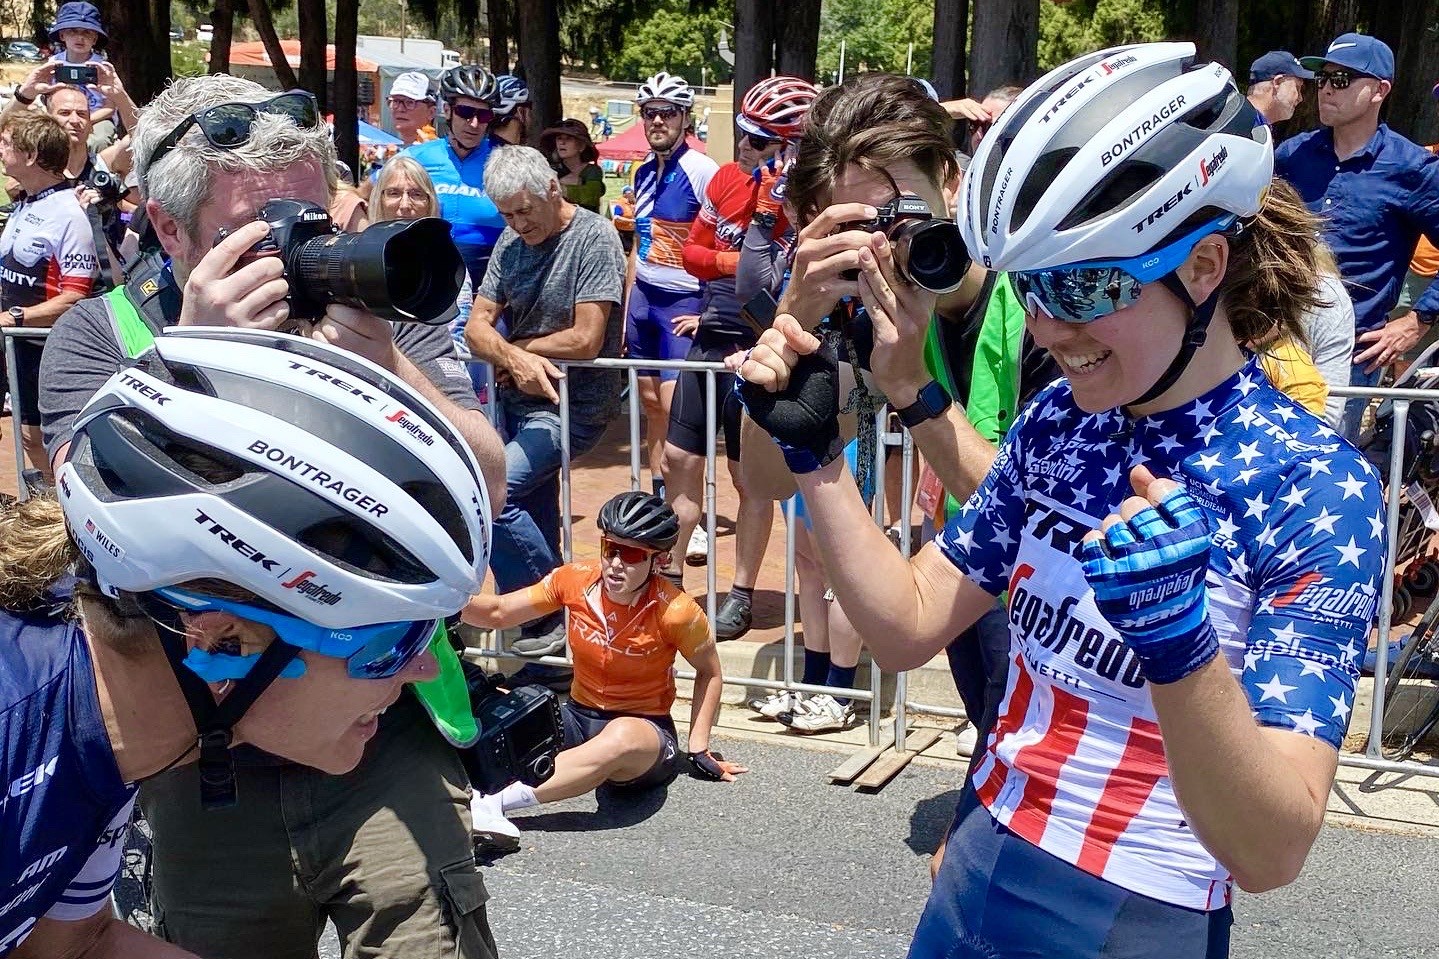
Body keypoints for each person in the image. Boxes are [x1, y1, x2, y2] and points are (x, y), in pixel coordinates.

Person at [738, 47, 1385, 957]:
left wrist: (1178, 643)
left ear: (1204, 266)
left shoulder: (1313, 484)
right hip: (979, 861)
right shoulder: (1061, 418)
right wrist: (816, 464)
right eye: (1031, 287)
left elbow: (1271, 847)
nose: (1045, 326)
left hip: (1135, 907)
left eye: (1080, 284)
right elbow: (908, 624)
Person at [38, 73, 508, 959]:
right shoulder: (103, 334)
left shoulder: (368, 303)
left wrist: (382, 367)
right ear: (167, 228)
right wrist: (193, 358)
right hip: (206, 762)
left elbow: (486, 485)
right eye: (256, 236)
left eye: (311, 227)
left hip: (380, 727)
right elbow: (86, 521)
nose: (294, 257)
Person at [0, 327, 489, 959]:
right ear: (227, 641)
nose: (423, 669)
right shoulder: (17, 729)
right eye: (392, 642)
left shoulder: (113, 716)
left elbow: (71, 946)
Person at [462, 491, 746, 850]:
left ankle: (493, 804)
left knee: (622, 735)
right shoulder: (574, 580)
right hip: (580, 716)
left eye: (630, 555)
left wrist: (700, 747)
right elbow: (499, 612)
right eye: (610, 549)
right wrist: (442, 597)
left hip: (644, 732)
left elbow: (711, 672)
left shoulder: (676, 611)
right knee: (505, 709)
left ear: (658, 561)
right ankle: (454, 793)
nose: (615, 564)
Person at [662, 76, 819, 639]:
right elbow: (692, 256)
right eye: (744, 136)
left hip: (759, 344)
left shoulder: (806, 198)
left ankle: (743, 593)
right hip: (711, 333)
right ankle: (669, 578)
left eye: (759, 141)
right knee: (676, 463)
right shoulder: (729, 180)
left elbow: (776, 281)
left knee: (748, 479)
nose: (745, 149)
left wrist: (742, 251)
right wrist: (736, 261)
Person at [464, 145, 626, 662]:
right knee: (530, 508)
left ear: (552, 189)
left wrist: (515, 354)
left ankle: (547, 610)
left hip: (574, 406)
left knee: (493, 492)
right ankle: (557, 631)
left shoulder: (595, 238)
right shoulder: (511, 244)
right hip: (521, 402)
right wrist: (516, 359)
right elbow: (475, 328)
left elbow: (586, 339)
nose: (516, 223)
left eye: (523, 210)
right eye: (506, 214)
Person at [1276, 33, 1439, 440]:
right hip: (1270, 339)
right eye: (1323, 78)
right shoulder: (1290, 156)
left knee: (1322, 465)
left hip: (1348, 352)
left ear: (1379, 91)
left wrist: (1416, 321)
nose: (1327, 88)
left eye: (1343, 79)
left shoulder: (1413, 169)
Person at [627, 71, 718, 499]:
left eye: (667, 113)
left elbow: (724, 242)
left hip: (684, 299)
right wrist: (630, 302)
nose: (657, 121)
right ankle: (661, 500)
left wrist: (709, 310)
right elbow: (639, 243)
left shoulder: (702, 170)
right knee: (650, 406)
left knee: (675, 407)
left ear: (685, 118)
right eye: (650, 113)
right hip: (645, 298)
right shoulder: (641, 171)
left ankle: (689, 511)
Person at [0, 109, 98, 483]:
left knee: (38, 437)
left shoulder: (68, 214)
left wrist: (14, 319)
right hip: (13, 338)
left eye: (7, 144)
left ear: (30, 155)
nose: (1, 150)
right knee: (26, 436)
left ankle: (58, 512)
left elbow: (74, 297)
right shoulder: (26, 201)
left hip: (39, 342)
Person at [403, 64, 507, 285]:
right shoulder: (415, 157)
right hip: (426, 280)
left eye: (484, 115)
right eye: (466, 112)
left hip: (490, 287)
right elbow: (366, 196)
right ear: (447, 110)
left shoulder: (506, 161)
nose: (475, 123)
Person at [372, 154, 475, 357]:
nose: (404, 205)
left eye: (416, 194)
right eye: (394, 193)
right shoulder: (357, 255)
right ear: (380, 199)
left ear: (429, 202)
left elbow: (457, 336)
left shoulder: (447, 263)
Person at [45, 2, 113, 151]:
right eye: (73, 31)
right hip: (60, 118)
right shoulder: (53, 64)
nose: (80, 38)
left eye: (87, 33)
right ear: (62, 35)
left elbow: (110, 107)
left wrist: (88, 121)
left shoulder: (102, 67)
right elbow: (45, 98)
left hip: (97, 118)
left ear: (95, 39)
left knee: (98, 141)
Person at [541, 117, 605, 212]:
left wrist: (560, 189)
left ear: (581, 146)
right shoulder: (550, 170)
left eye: (568, 139)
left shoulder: (592, 171)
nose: (562, 142)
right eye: (559, 138)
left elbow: (591, 195)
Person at [1245, 51, 1312, 126]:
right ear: (1278, 82)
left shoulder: (1246, 121)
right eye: (1297, 87)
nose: (1300, 98)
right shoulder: (1243, 125)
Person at [386, 70, 438, 145]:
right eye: (395, 101)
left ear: (431, 112)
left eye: (409, 102)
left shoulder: (438, 151)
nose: (400, 109)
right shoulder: (387, 150)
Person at [490, 74, 533, 146]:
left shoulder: (478, 148)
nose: (531, 117)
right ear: (521, 112)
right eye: (530, 109)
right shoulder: (516, 156)